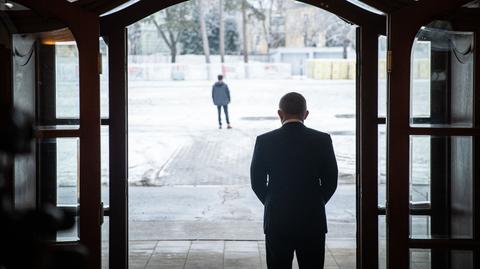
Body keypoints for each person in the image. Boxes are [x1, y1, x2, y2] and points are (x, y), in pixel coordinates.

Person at [250, 92, 338, 269]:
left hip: (277, 219)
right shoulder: (322, 140)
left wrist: (271, 202)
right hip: (312, 219)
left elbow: (257, 182)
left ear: (280, 114)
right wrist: (316, 202)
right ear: (305, 114)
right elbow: (331, 181)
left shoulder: (265, 141)